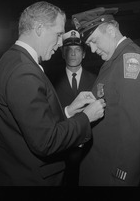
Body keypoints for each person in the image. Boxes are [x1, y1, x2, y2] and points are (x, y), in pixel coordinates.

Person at [0, 1, 106, 186]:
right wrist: (85, 117)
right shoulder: (23, 71)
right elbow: (46, 142)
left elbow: (32, 123)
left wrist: (68, 111)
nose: (60, 43)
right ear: (39, 28)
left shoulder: (12, 59)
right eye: (58, 34)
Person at [72, 7, 140, 186]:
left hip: (117, 176)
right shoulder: (114, 60)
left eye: (94, 41)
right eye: (89, 45)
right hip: (102, 168)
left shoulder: (132, 62)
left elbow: (135, 137)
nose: (93, 50)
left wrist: (122, 179)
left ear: (111, 30)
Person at [55, 29, 97, 186]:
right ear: (63, 54)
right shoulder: (50, 82)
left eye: (77, 50)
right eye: (69, 50)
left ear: (84, 54)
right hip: (60, 151)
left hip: (89, 151)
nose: (73, 54)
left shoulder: (96, 80)